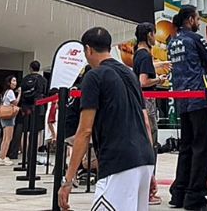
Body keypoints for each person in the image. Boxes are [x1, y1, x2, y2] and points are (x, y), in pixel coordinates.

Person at [59, 27, 157, 211]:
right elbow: (145, 121)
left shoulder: (93, 76)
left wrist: (68, 180)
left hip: (118, 163)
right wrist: (150, 169)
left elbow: (85, 130)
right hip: (144, 158)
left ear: (88, 49)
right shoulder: (131, 75)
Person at [167, 5, 207, 210]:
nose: (199, 22)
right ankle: (195, 196)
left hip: (182, 99)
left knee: (186, 147)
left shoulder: (172, 41)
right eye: (197, 18)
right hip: (198, 97)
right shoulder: (195, 39)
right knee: (202, 148)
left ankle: (179, 193)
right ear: (189, 20)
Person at [132, 22, 164, 205]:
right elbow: (143, 81)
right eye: (154, 34)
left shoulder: (138, 54)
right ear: (149, 34)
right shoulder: (144, 55)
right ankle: (149, 190)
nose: (155, 37)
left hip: (141, 101)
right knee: (151, 142)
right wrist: (158, 80)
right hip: (147, 102)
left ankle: (145, 189)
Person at [16, 60, 49, 161]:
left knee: (25, 131)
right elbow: (45, 93)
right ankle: (33, 155)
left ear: (30, 68)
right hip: (38, 107)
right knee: (37, 132)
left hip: (26, 106)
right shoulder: (43, 80)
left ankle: (24, 156)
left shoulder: (25, 79)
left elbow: (22, 93)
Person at [0, 74, 21, 166]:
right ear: (9, 82)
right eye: (13, 81)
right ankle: (2, 158)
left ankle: (2, 155)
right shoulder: (10, 92)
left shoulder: (5, 92)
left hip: (4, 116)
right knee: (8, 138)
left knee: (5, 138)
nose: (15, 83)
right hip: (9, 117)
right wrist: (19, 94)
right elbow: (15, 103)